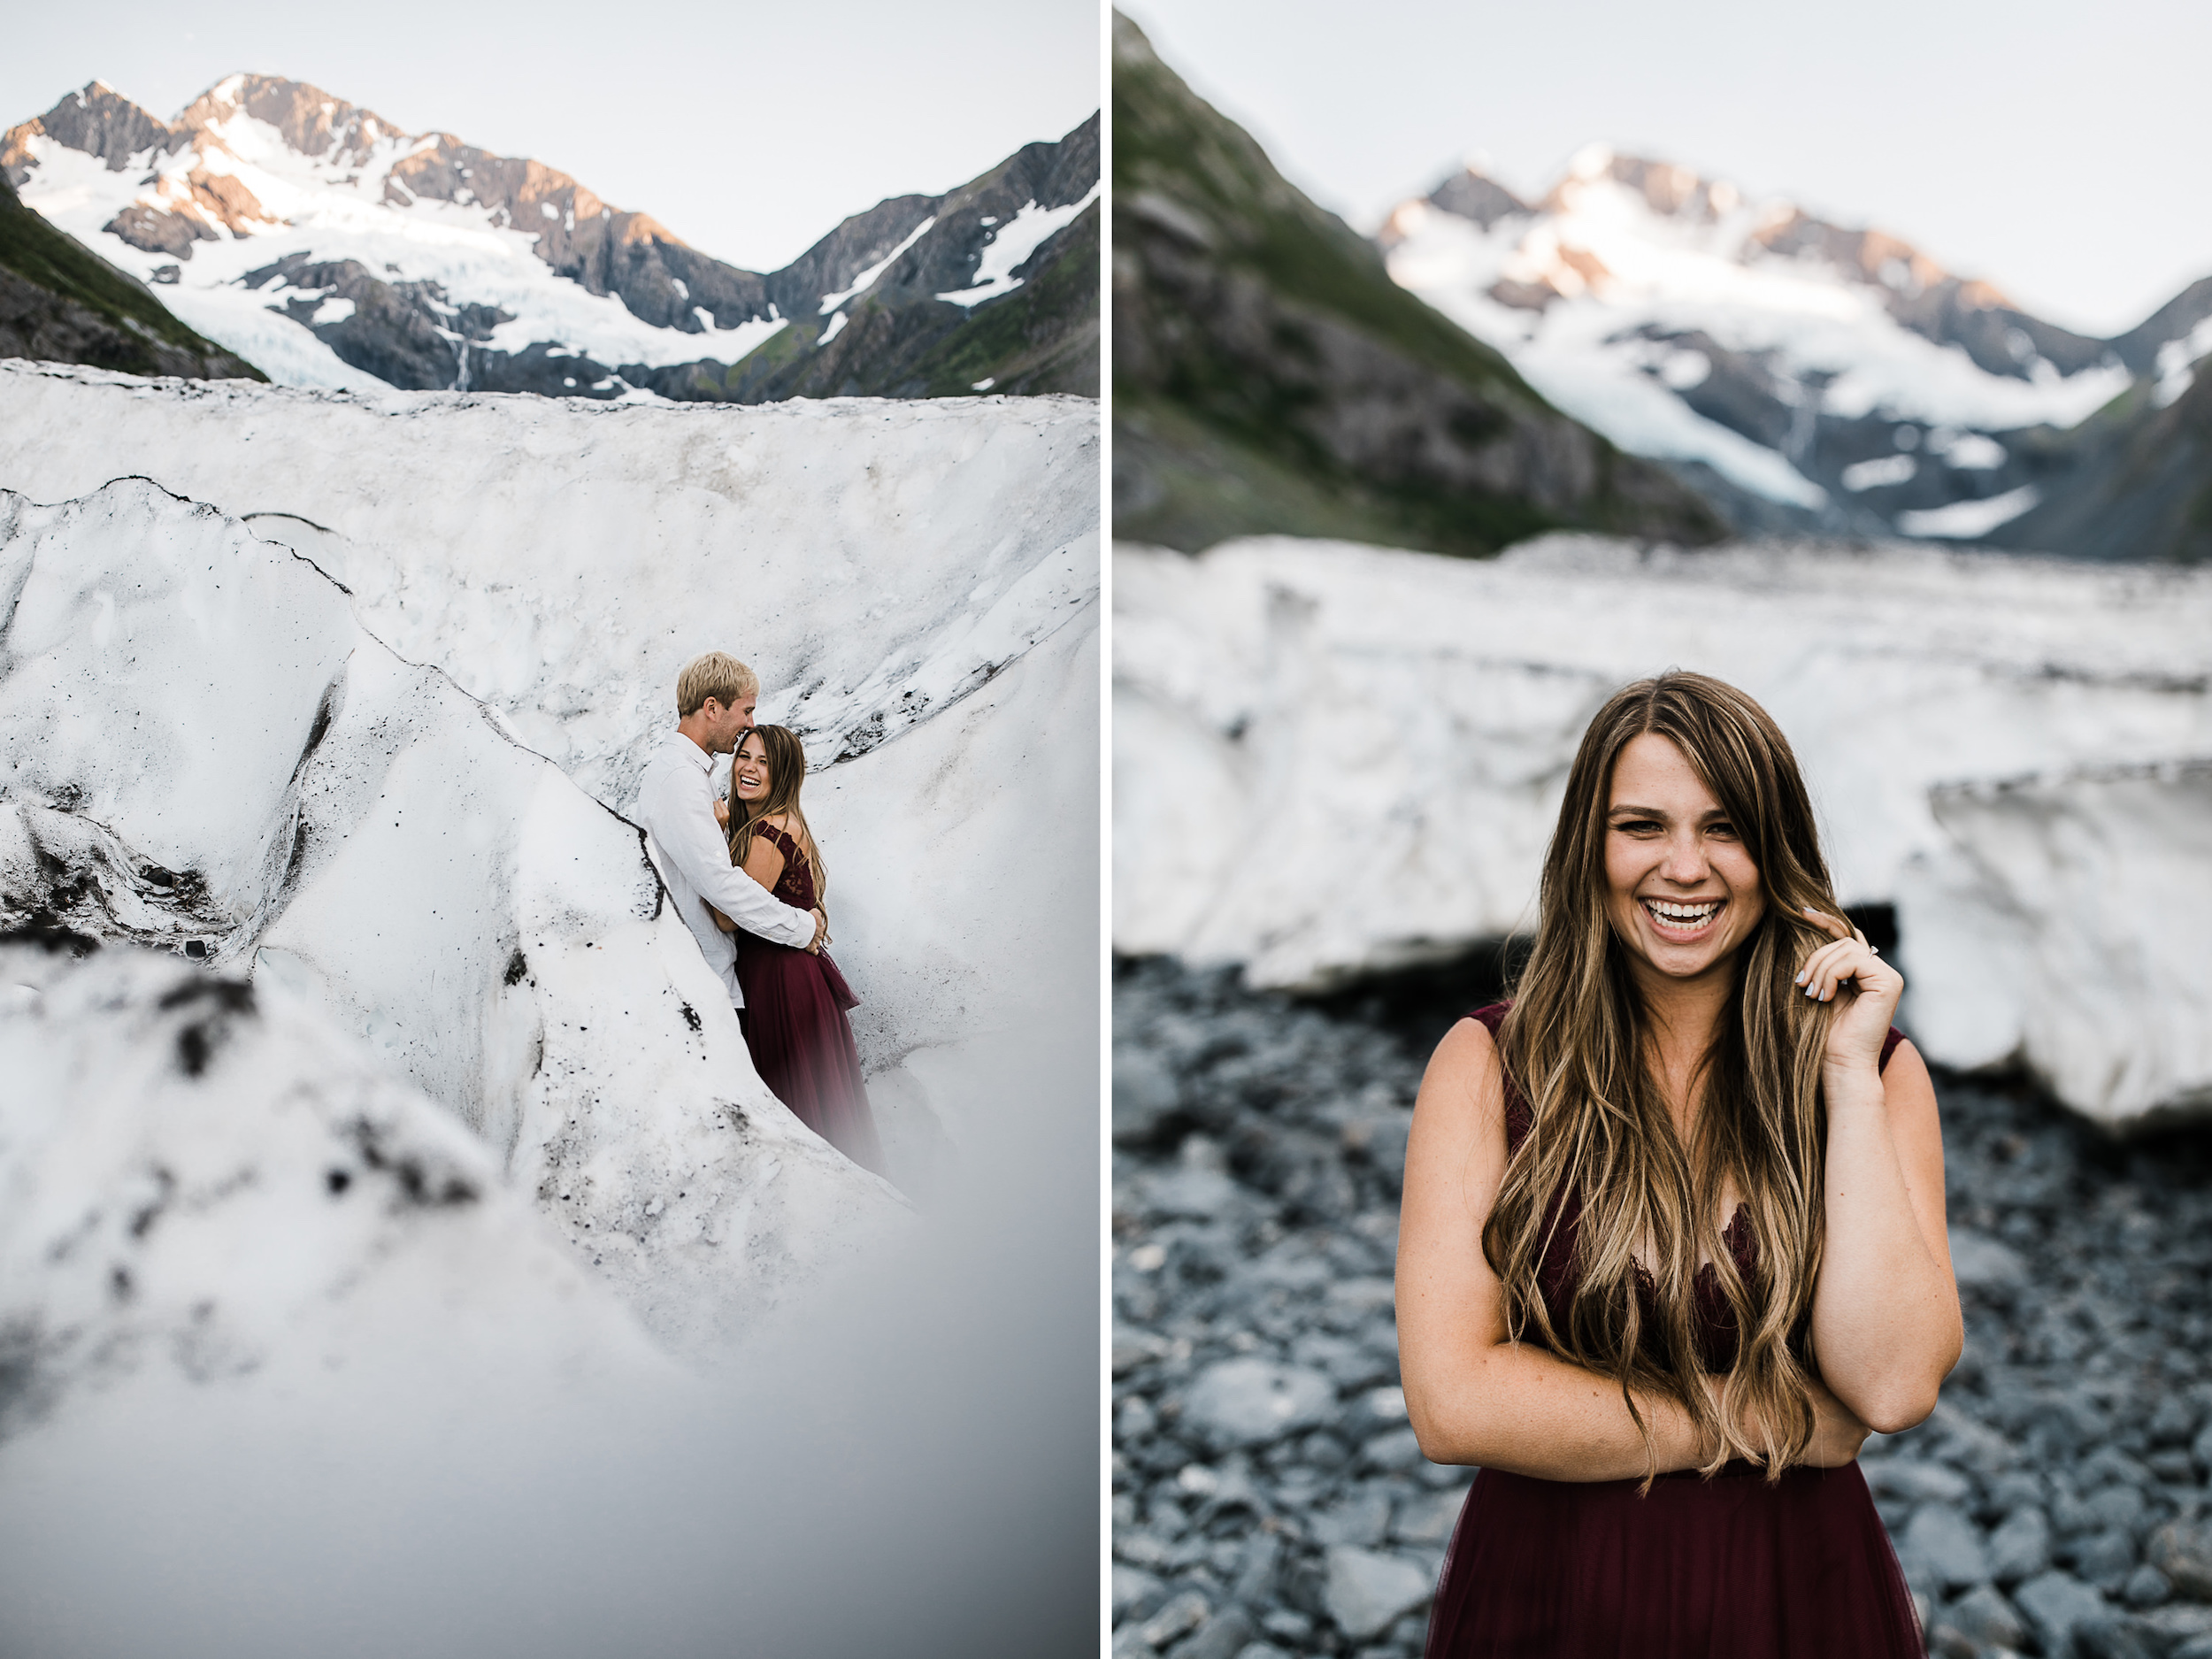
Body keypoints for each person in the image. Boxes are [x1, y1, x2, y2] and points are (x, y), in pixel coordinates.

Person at [1397, 670, 1960, 1658]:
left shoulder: (1871, 1073)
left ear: (1773, 851)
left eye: (1726, 828)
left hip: (1798, 1603)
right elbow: (1452, 1403)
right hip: (1551, 1601)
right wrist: (1758, 1419)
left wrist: (1844, 1078)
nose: (1685, 867)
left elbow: (1893, 1386)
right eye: (1642, 826)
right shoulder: (1489, 1066)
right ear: (1590, 846)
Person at [712, 723, 886, 1175]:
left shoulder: (768, 834)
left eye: (763, 762)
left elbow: (728, 917)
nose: (748, 769)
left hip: (781, 984)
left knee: (794, 1109)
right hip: (793, 977)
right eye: (744, 756)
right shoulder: (780, 822)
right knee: (818, 1107)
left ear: (783, 773)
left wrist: (713, 837)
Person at [633, 652, 826, 1030]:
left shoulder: (685, 774)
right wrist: (802, 928)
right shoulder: (681, 780)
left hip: (708, 977)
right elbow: (720, 884)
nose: (749, 724)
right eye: (746, 711)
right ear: (712, 707)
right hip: (703, 984)